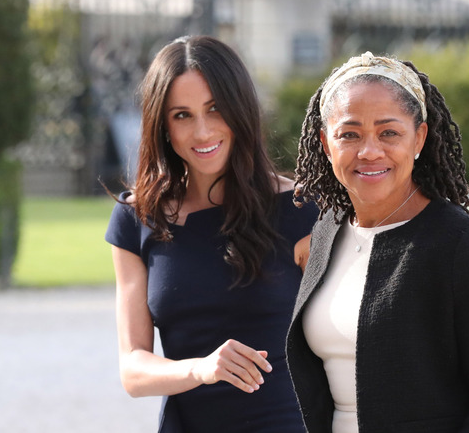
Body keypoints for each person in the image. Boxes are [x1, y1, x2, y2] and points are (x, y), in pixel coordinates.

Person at [286, 51, 469, 433]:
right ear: (325, 143)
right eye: (349, 134)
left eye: (389, 133)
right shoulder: (326, 233)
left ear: (419, 137)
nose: (369, 151)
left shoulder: (463, 244)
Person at [105, 36, 316, 432]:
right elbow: (133, 368)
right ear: (162, 126)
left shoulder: (302, 210)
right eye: (182, 115)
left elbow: (346, 346)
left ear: (240, 110)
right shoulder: (137, 217)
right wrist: (201, 369)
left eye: (215, 109)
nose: (202, 132)